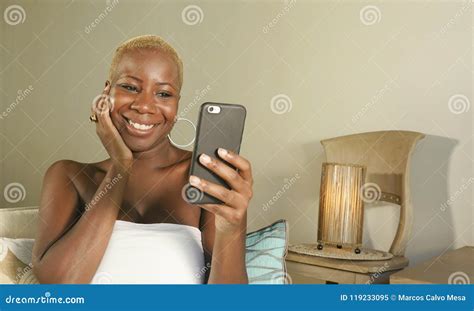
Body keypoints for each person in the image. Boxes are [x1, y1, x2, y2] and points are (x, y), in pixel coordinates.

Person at [31, 35, 253, 284]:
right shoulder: (68, 176)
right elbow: (60, 288)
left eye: (164, 93)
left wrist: (230, 229)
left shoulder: (204, 179)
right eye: (130, 87)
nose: (145, 105)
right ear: (106, 93)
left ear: (177, 106)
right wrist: (120, 166)